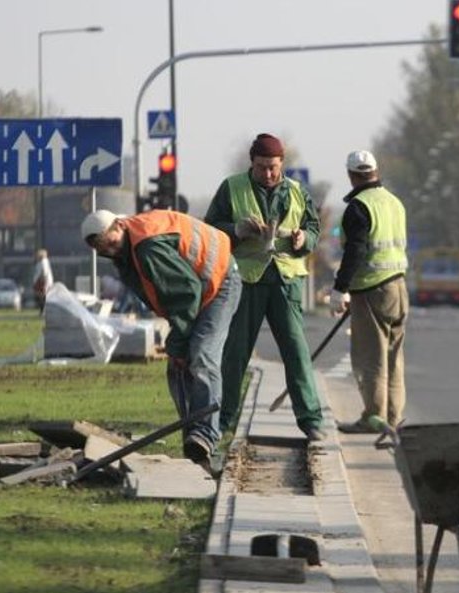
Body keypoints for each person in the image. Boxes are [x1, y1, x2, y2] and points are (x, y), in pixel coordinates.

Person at [80, 208, 242, 466]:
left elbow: (186, 295)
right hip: (200, 288)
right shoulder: (126, 253)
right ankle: (194, 438)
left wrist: (178, 343)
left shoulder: (147, 247)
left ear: (119, 225)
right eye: (102, 250)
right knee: (178, 369)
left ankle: (207, 435)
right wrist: (177, 347)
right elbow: (170, 296)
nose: (108, 251)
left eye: (109, 243)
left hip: (220, 282)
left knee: (201, 354)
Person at [204, 133, 325, 440]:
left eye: (273, 167)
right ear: (252, 164)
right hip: (247, 281)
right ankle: (222, 422)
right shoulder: (232, 188)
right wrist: (236, 230)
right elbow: (209, 230)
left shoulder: (297, 191)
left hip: (286, 281)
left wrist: (304, 240)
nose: (268, 174)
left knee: (296, 351)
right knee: (235, 353)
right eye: (261, 167)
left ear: (282, 163)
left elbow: (313, 227)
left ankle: (311, 421)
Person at [331, 150, 409, 434]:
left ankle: (373, 417)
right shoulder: (394, 203)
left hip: (372, 290)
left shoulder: (358, 207)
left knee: (371, 357)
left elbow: (356, 250)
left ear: (351, 175)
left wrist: (341, 288)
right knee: (394, 356)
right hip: (399, 287)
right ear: (375, 171)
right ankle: (393, 416)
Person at [32, 248, 53, 312]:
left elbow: (44, 271)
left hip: (42, 281)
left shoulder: (44, 261)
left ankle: (43, 310)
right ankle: (42, 309)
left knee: (42, 295)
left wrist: (42, 279)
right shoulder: (40, 262)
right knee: (40, 295)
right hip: (40, 280)